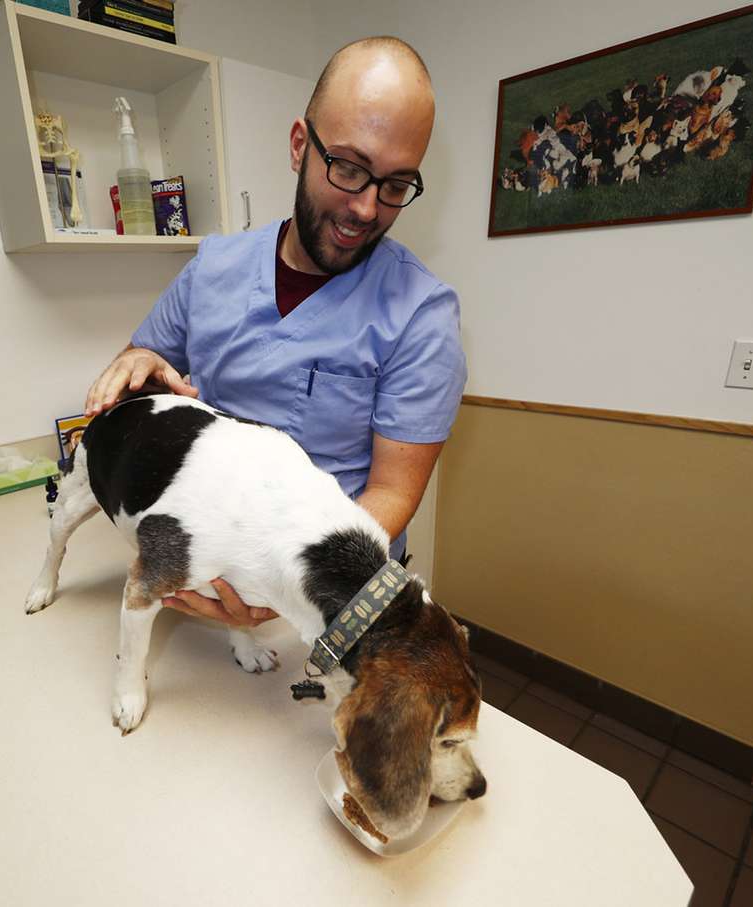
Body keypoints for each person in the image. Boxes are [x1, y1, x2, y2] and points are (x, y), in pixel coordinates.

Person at [83, 36, 467, 630]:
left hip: (324, 599)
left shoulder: (422, 315)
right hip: (194, 573)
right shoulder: (212, 268)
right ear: (299, 146)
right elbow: (146, 356)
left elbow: (392, 493)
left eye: (395, 186)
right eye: (348, 168)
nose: (367, 208)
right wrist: (134, 363)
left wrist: (286, 585)